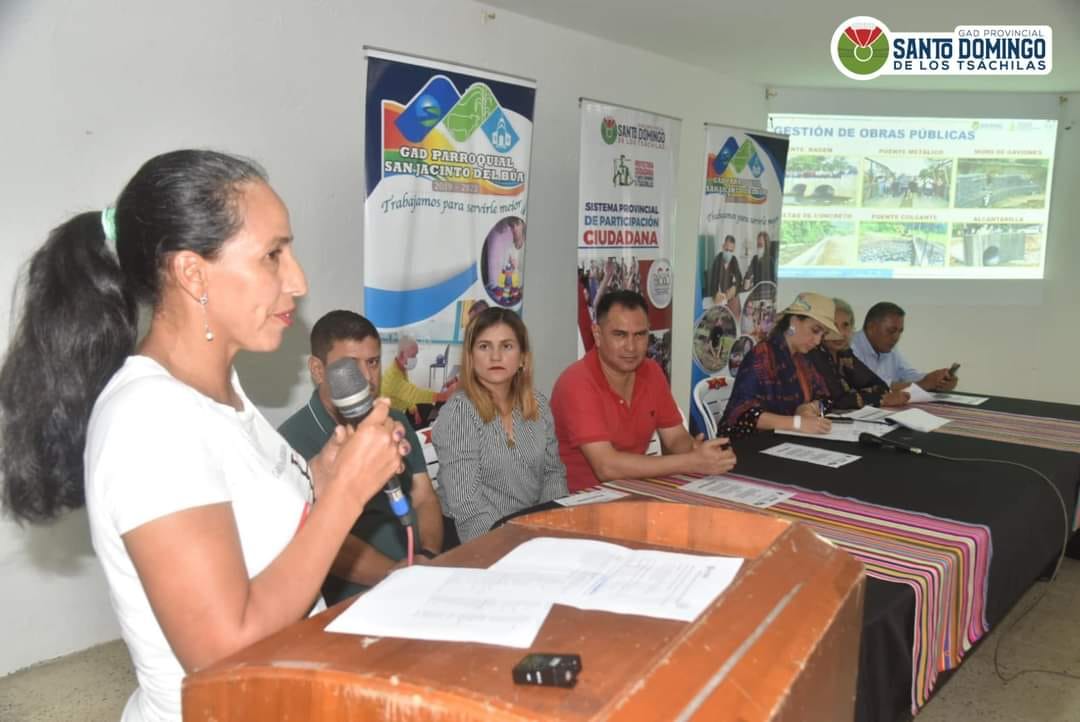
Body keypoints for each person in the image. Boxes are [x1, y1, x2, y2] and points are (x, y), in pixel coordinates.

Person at [0, 150, 408, 722]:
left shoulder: (220, 390)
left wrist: (323, 475)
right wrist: (345, 497)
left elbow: (249, 525)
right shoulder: (149, 419)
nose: (298, 281)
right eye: (273, 255)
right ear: (192, 273)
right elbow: (222, 650)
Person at [278, 310, 444, 603]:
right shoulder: (290, 441)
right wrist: (394, 574)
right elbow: (323, 537)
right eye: (351, 365)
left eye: (373, 362)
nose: (367, 378)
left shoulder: (394, 420)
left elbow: (424, 497)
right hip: (355, 596)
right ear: (318, 369)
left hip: (420, 575)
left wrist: (428, 555)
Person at [551, 290, 737, 491]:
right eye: (620, 335)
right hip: (579, 500)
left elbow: (675, 437)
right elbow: (606, 467)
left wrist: (697, 450)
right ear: (597, 334)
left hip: (633, 491)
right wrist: (691, 462)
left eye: (640, 335)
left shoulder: (651, 371)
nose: (631, 347)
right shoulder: (576, 382)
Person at [432, 308, 567, 542]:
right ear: (471, 357)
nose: (495, 357)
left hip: (531, 530)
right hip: (475, 539)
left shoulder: (538, 405)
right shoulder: (459, 412)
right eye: (484, 346)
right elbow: (467, 506)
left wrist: (555, 528)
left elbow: (553, 474)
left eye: (507, 346)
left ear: (523, 357)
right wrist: (510, 544)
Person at [719, 292, 838, 438]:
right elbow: (742, 414)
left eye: (822, 335)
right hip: (747, 443)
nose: (818, 341)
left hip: (782, 440)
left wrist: (809, 408)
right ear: (794, 321)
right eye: (815, 330)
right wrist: (797, 423)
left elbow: (827, 399)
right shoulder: (762, 355)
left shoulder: (803, 359)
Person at [805, 299, 910, 410]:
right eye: (833, 325)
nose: (840, 332)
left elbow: (880, 386)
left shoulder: (844, 354)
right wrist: (880, 399)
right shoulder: (814, 354)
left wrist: (859, 395)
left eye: (845, 325)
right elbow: (838, 400)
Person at [850, 302, 958, 391]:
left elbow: (908, 375)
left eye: (900, 331)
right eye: (891, 331)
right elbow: (868, 387)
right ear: (871, 327)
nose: (896, 337)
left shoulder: (889, 349)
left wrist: (937, 380)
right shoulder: (849, 347)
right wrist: (922, 384)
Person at [381, 333, 457, 426]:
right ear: (401, 355)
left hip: (402, 409)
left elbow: (406, 393)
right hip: (392, 420)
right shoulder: (392, 377)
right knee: (427, 413)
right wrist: (443, 396)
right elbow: (413, 393)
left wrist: (414, 410)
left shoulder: (400, 368)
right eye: (413, 355)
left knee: (428, 408)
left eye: (416, 355)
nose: (415, 359)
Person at [707, 234, 742, 308]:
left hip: (730, 300)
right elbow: (712, 283)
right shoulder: (717, 260)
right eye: (726, 250)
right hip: (719, 299)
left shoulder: (734, 260)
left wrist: (734, 287)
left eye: (731, 251)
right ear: (723, 247)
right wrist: (715, 294)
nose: (728, 252)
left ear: (734, 249)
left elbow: (739, 278)